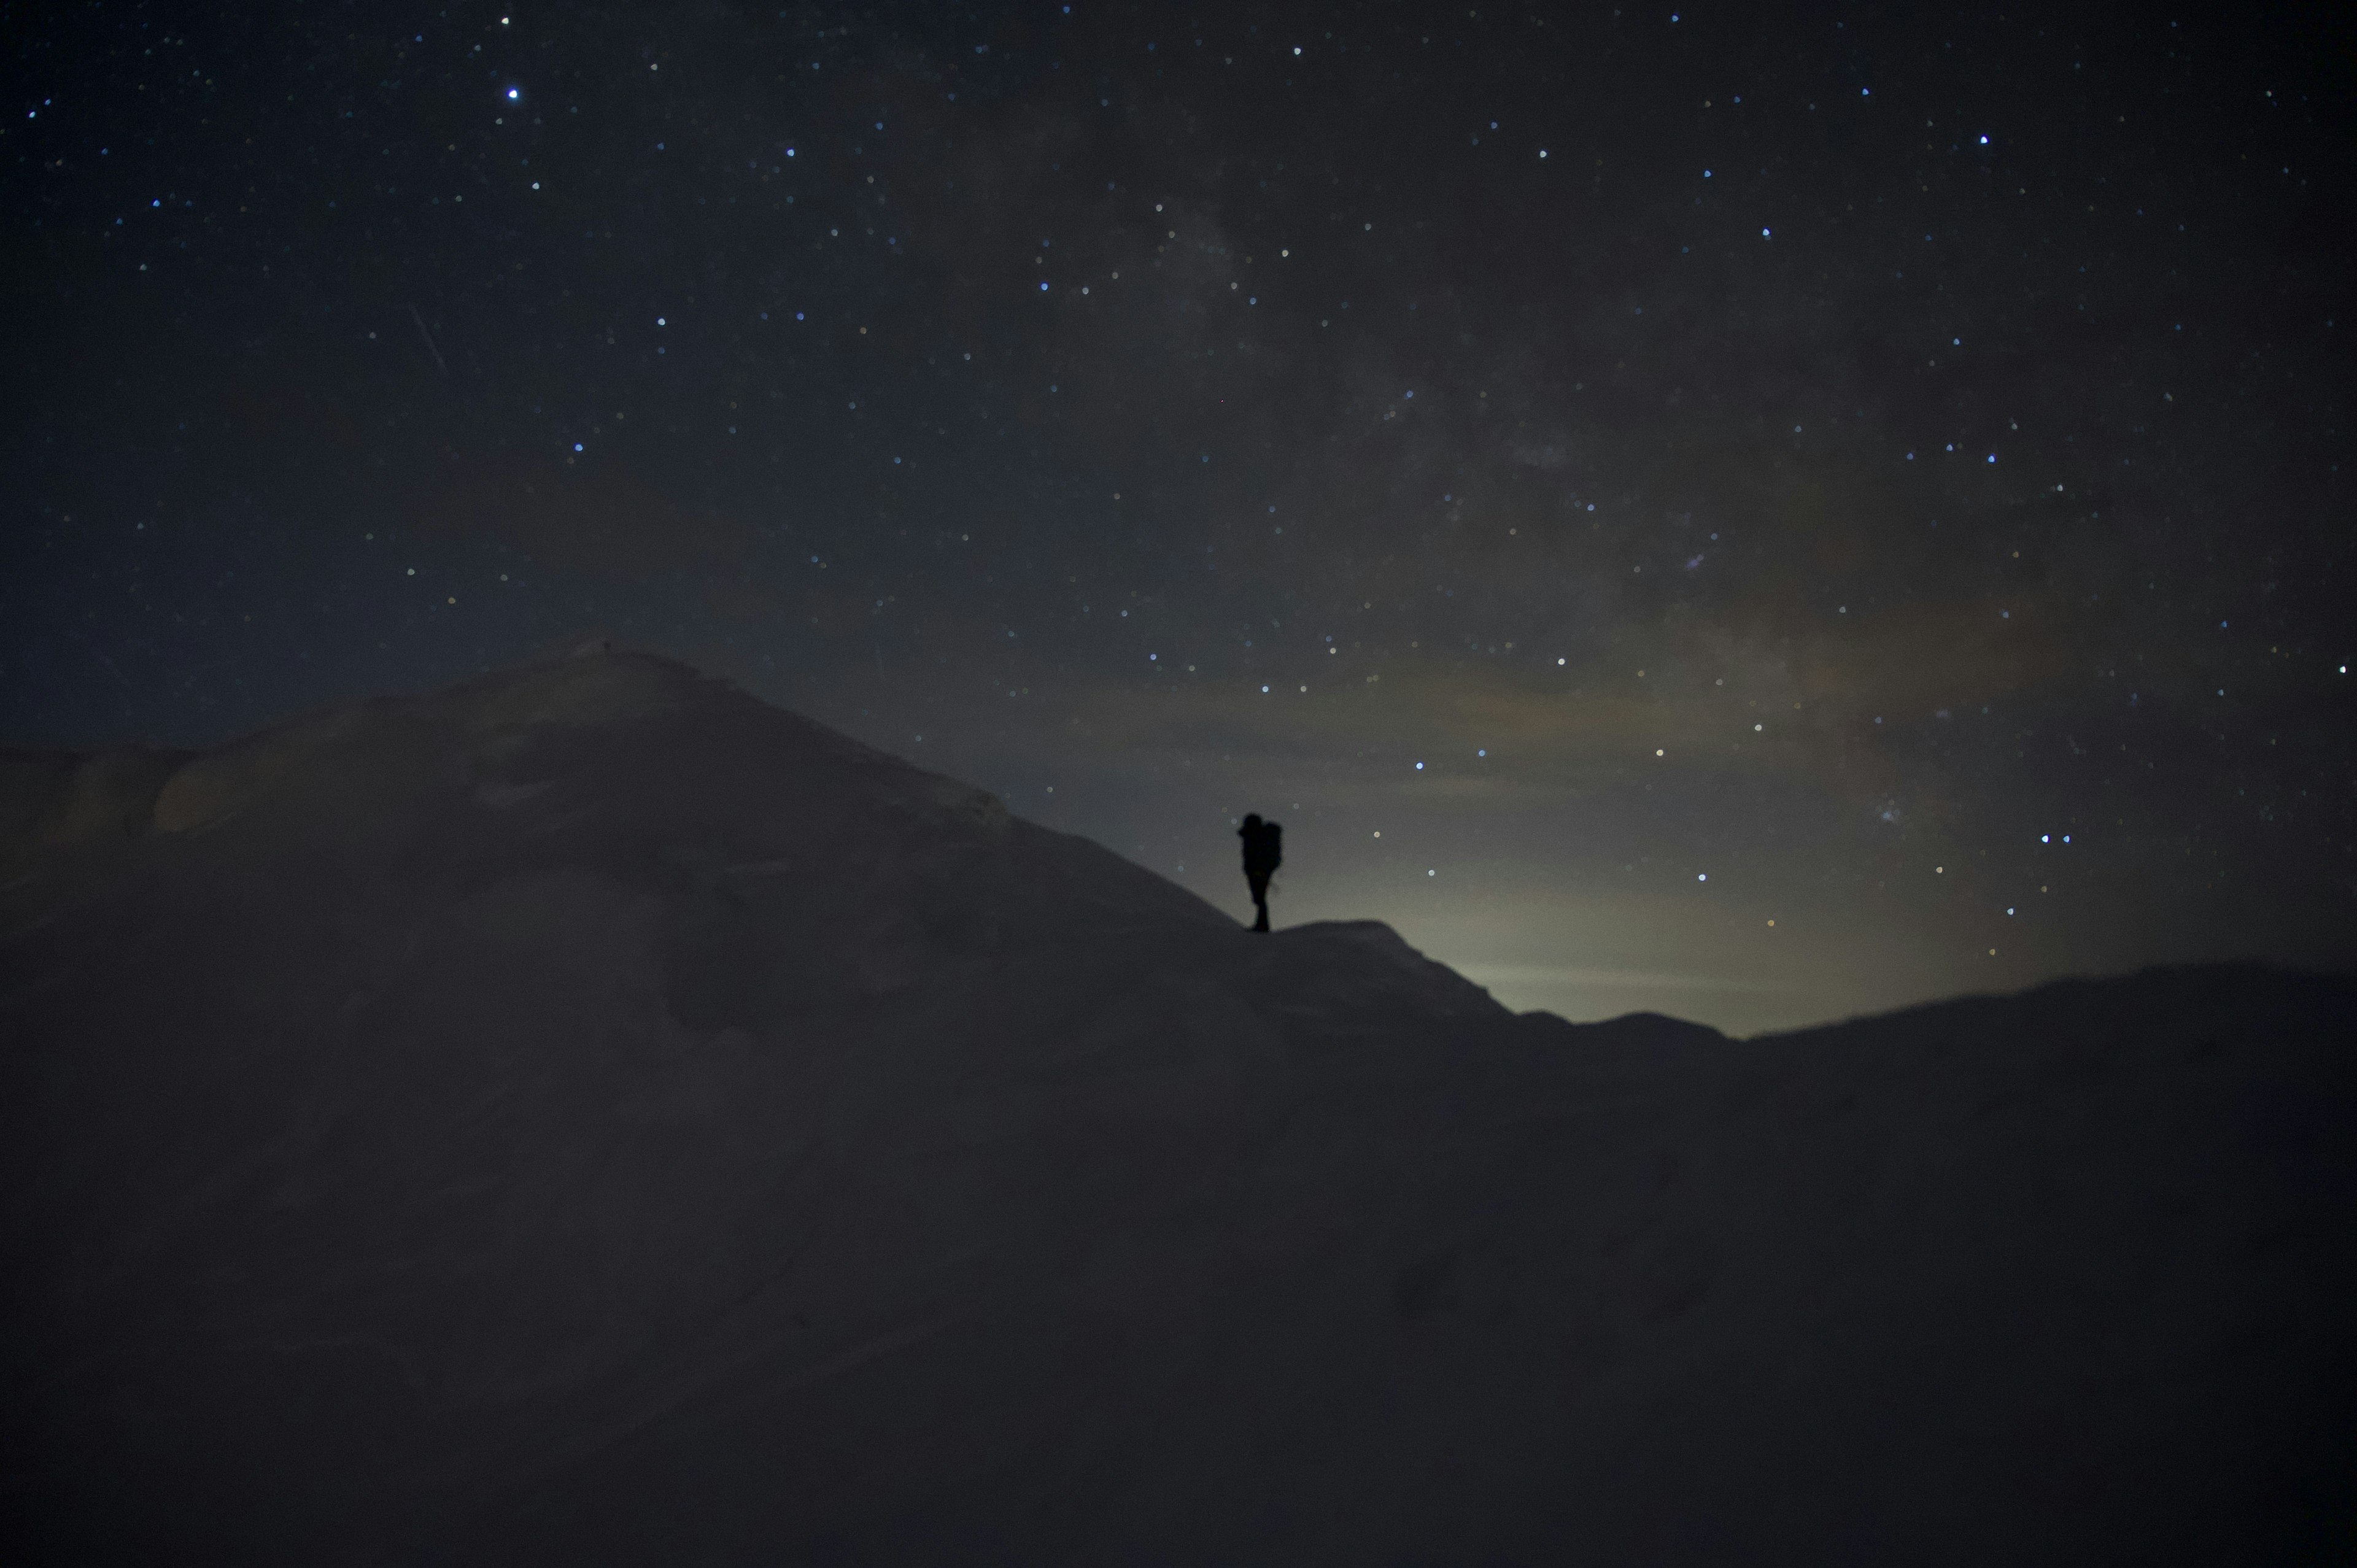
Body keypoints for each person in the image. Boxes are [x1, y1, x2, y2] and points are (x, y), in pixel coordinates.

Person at [1237, 813, 1283, 932]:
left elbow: (1253, 855)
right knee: (1259, 898)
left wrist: (1256, 869)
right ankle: (1262, 925)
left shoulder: (1256, 837)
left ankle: (1262, 925)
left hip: (1259, 871)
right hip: (1259, 870)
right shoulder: (1256, 836)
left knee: (1259, 898)